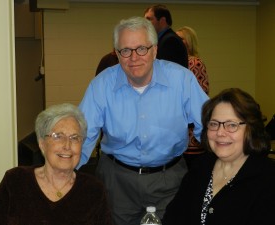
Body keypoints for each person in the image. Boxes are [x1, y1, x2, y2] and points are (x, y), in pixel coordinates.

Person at [78, 16, 208, 225]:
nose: (133, 57)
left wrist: (225, 164)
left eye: (141, 49)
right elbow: (82, 135)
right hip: (117, 180)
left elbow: (208, 123)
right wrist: (63, 172)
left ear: (155, 50)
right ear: (116, 53)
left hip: (170, 179)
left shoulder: (182, 80)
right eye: (125, 51)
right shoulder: (101, 85)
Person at [0, 103, 112, 225]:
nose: (67, 145)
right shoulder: (15, 180)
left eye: (74, 138)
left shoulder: (93, 190)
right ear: (42, 143)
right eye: (58, 136)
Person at [163, 88, 275, 225]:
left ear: (251, 129)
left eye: (232, 125)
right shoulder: (201, 166)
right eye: (214, 124)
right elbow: (174, 216)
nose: (220, 132)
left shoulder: (268, 178)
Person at [176, 26, 209, 169]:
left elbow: (201, 93)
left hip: (191, 134)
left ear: (189, 42)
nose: (177, 42)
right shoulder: (175, 64)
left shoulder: (194, 63)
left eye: (181, 39)